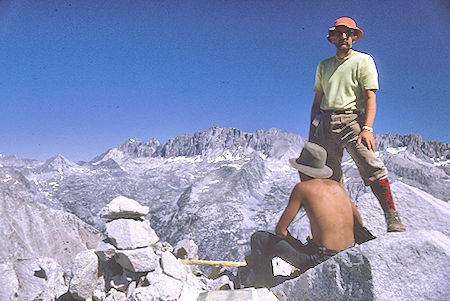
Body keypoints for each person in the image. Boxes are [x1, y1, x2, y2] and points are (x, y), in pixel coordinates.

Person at [308, 17, 405, 232]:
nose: (344, 36)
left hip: (352, 121)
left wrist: (367, 128)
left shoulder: (363, 61)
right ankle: (347, 229)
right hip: (325, 122)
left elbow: (370, 97)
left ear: (354, 37)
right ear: (332, 38)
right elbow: (317, 103)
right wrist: (312, 134)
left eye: (348, 33)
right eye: (340, 32)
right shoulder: (323, 66)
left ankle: (392, 217)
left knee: (371, 166)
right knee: (330, 178)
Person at [237, 142, 374, 289]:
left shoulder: (302, 188)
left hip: (320, 259)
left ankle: (263, 284)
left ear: (302, 170)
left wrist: (297, 245)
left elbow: (280, 231)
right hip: (346, 254)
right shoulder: (339, 187)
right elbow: (358, 224)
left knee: (259, 238)